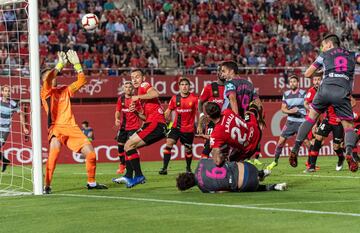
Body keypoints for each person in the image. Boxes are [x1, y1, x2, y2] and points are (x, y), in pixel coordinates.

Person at [290, 34, 360, 172]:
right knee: (349, 127)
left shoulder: (325, 54)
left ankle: (296, 148)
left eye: (323, 45)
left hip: (325, 90)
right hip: (342, 92)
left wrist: (323, 70)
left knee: (311, 118)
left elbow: (308, 74)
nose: (323, 47)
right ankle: (349, 152)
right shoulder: (353, 54)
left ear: (329, 44)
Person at [41, 50, 107, 194]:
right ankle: (46, 185)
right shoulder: (45, 92)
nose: (53, 78)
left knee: (91, 154)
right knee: (54, 154)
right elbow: (49, 78)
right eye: (49, 77)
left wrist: (77, 65)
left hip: (72, 128)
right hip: (56, 128)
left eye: (53, 76)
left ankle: (91, 183)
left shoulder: (64, 90)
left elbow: (82, 81)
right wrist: (59, 64)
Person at [113, 69, 166, 188]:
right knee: (128, 146)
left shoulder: (144, 86)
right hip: (152, 123)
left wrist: (137, 97)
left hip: (156, 123)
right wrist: (136, 112)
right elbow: (145, 117)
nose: (135, 79)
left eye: (137, 77)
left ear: (143, 78)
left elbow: (156, 93)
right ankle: (129, 175)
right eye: (133, 78)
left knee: (128, 145)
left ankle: (138, 176)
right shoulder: (140, 95)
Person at [266, 75, 307, 171]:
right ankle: (275, 161)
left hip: (301, 122)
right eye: (291, 82)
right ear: (289, 84)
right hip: (290, 122)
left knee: (307, 143)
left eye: (294, 81)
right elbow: (283, 109)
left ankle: (310, 163)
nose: (292, 83)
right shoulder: (286, 94)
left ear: (298, 83)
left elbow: (307, 106)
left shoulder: (303, 93)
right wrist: (292, 111)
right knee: (281, 141)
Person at [205, 102, 265, 166]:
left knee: (229, 163)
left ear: (208, 116)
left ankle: (258, 173)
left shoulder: (216, 134)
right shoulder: (227, 112)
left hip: (249, 148)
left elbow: (217, 162)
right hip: (256, 131)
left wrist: (222, 154)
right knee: (251, 109)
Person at [159, 77, 198, 175]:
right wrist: (164, 119)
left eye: (186, 84)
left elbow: (200, 111)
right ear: (179, 87)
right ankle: (164, 168)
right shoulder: (174, 98)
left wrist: (200, 125)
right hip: (176, 127)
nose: (184, 86)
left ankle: (188, 168)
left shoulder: (194, 99)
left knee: (188, 149)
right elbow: (168, 111)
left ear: (189, 87)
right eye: (182, 85)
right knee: (169, 144)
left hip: (188, 129)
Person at [176, 159, 287, 193]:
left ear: (190, 187)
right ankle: (261, 172)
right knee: (232, 165)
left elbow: (223, 191)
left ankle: (274, 186)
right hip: (248, 167)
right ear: (188, 173)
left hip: (248, 184)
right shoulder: (201, 162)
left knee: (235, 187)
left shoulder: (203, 189)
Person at [114, 81, 143, 174]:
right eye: (126, 87)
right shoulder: (121, 99)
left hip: (134, 127)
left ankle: (131, 167)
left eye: (130, 87)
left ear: (132, 89)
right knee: (120, 147)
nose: (128, 89)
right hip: (123, 127)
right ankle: (122, 165)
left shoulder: (136, 99)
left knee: (129, 147)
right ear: (124, 89)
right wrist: (117, 119)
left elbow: (142, 112)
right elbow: (118, 111)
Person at [197, 65, 225, 158]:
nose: (222, 73)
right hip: (212, 123)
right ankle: (207, 170)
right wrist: (201, 116)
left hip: (226, 121)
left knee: (224, 148)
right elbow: (200, 102)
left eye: (224, 71)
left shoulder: (231, 87)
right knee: (210, 146)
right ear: (217, 73)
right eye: (220, 71)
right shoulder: (209, 87)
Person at [0, 85, 29, 172]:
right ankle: (4, 160)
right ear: (2, 92)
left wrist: (24, 127)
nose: (7, 92)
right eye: (5, 91)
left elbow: (21, 114)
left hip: (4, 130)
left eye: (9, 91)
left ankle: (4, 160)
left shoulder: (13, 104)